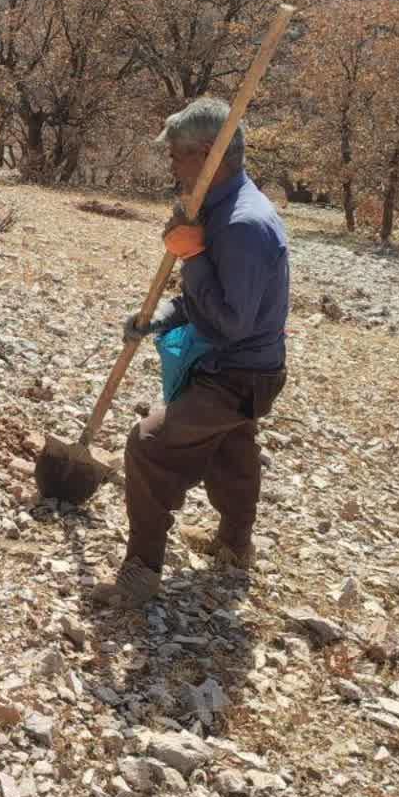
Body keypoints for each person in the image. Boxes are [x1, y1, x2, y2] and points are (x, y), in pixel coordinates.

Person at [93, 96, 291, 609]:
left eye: (177, 155)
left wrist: (194, 256)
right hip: (236, 366)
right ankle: (234, 546)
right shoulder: (216, 211)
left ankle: (141, 573)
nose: (171, 165)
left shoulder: (243, 224)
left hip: (239, 372)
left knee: (149, 443)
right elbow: (202, 302)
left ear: (207, 152)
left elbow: (229, 323)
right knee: (231, 451)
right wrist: (158, 320)